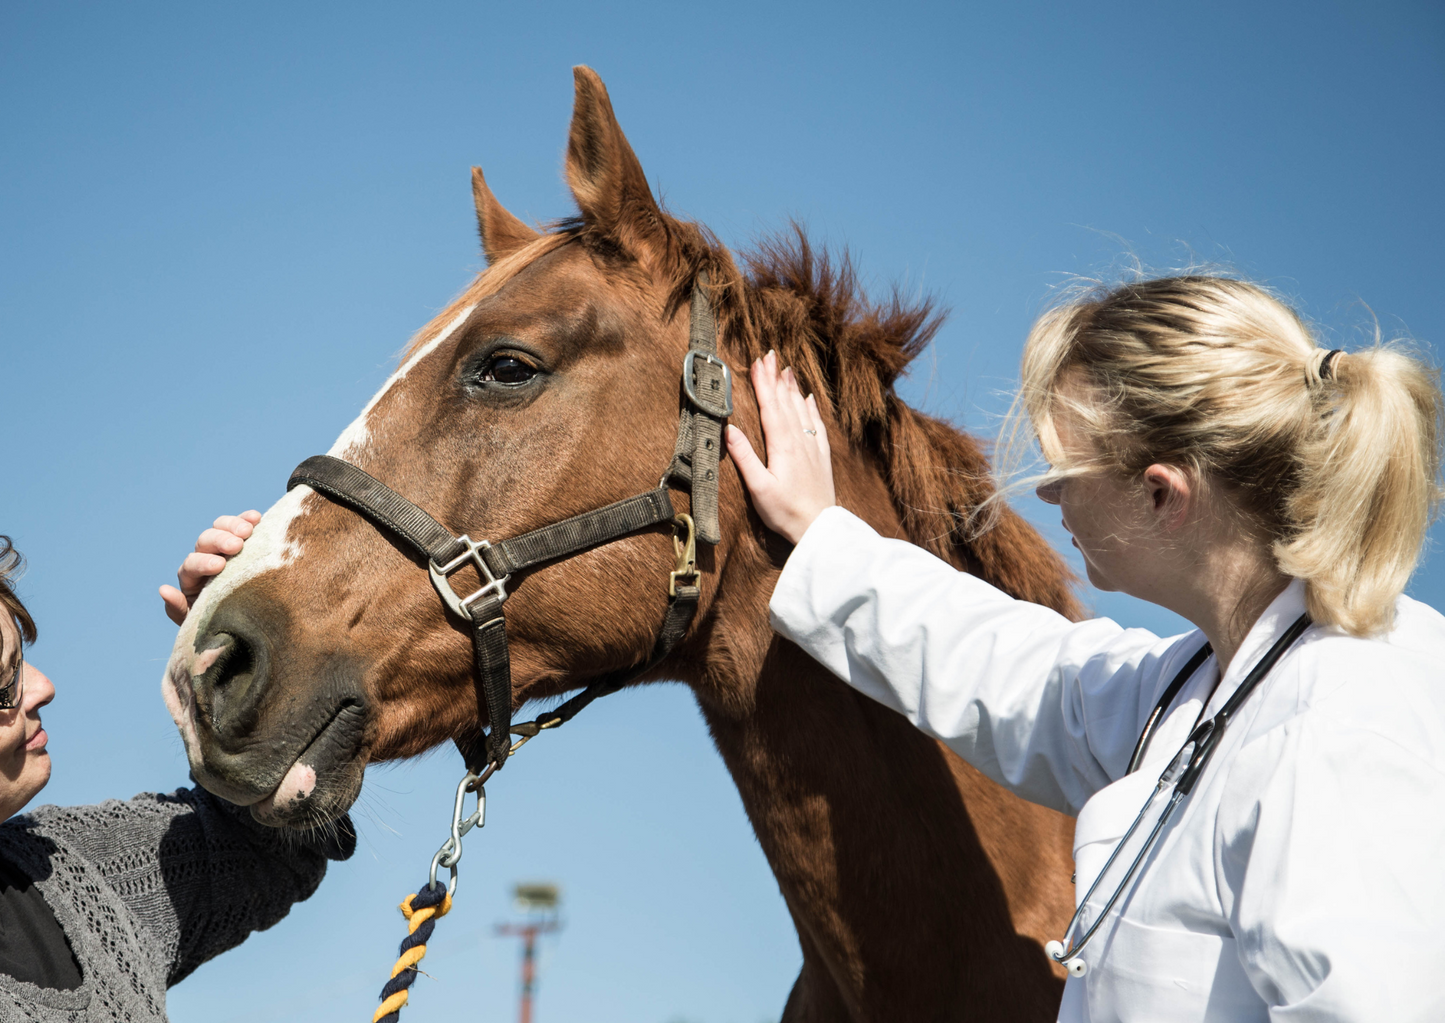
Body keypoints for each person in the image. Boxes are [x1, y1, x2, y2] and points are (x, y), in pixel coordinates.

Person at [725, 275, 1445, 1021]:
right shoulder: (1203, 685)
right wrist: (825, 535)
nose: (1048, 497)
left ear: (1162, 495)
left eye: (1064, 472)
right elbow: (1012, 669)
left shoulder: (1344, 728)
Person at [0, 513, 353, 1021]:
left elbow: (270, 847)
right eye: (5, 680)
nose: (43, 688)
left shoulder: (70, 869)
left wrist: (245, 668)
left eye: (22, 659)